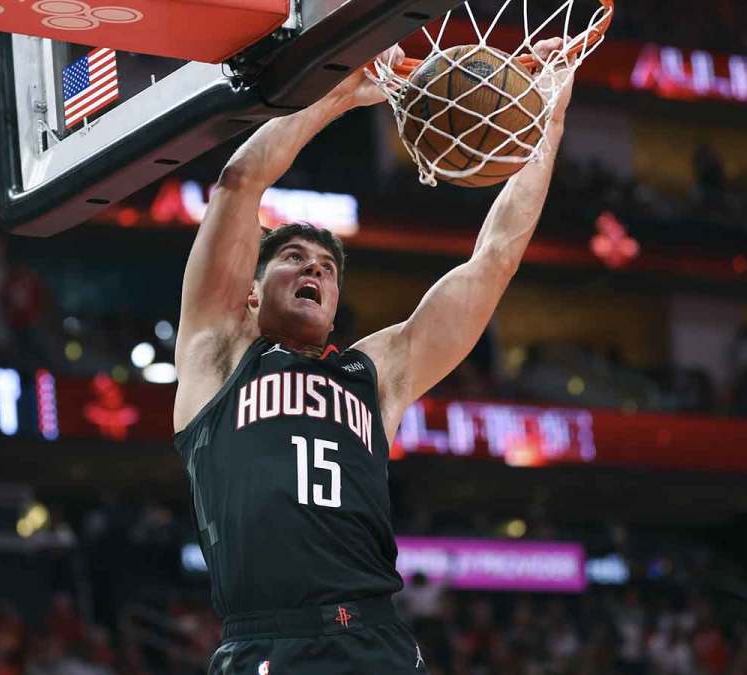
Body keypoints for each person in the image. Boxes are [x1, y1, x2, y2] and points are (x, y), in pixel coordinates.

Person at [172, 39, 576, 674]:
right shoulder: (217, 355)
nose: (314, 269)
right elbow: (238, 182)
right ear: (250, 292)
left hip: (377, 641)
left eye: (328, 268)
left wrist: (547, 113)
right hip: (268, 642)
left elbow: (494, 258)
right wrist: (339, 94)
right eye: (293, 259)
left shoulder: (374, 373)